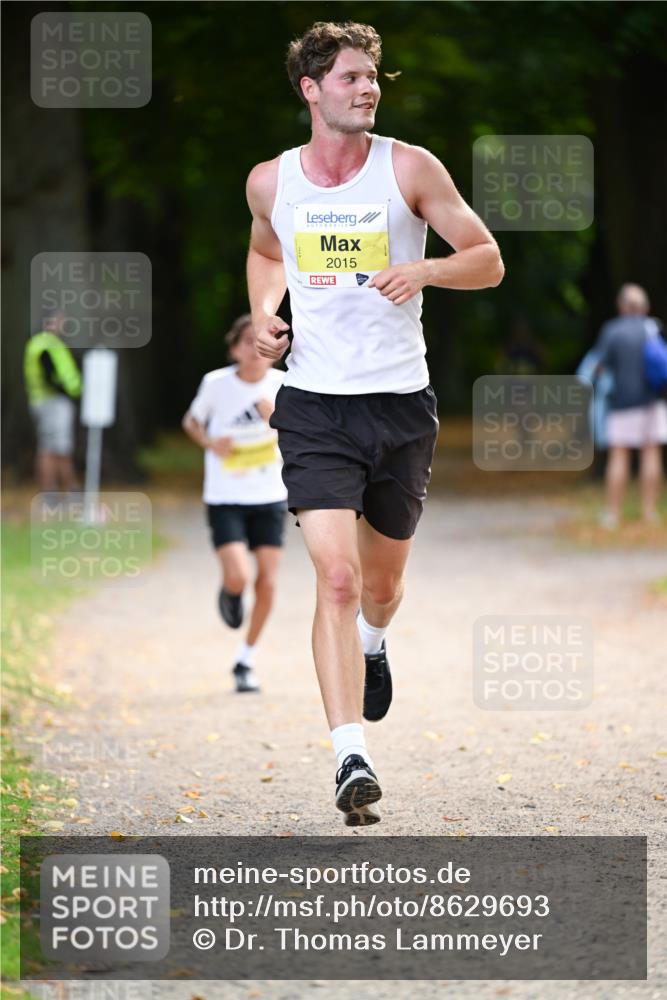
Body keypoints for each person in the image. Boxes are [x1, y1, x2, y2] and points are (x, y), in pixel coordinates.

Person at [245, 21, 504, 825]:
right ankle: (349, 754)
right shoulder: (270, 182)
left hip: (399, 405)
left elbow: (487, 258)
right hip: (315, 407)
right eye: (352, 77)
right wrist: (263, 314)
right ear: (310, 90)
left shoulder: (408, 168)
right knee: (335, 576)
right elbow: (264, 252)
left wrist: (424, 267)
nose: (368, 88)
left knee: (381, 586)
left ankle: (374, 643)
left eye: (373, 77)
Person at [182, 314, 288, 693]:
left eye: (263, 341)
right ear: (234, 349)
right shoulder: (216, 384)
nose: (254, 349)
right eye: (247, 341)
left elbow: (306, 434)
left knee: (269, 582)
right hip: (226, 495)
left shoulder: (284, 385)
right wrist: (212, 443)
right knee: (240, 576)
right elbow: (191, 422)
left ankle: (246, 658)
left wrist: (277, 420)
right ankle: (230, 591)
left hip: (270, 495)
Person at [594, 283, 667, 529]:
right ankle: (649, 512)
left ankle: (613, 513)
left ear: (622, 306)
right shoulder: (653, 328)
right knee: (651, 453)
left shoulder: (613, 331)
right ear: (644, 306)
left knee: (619, 455)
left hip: (623, 402)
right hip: (653, 402)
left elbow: (599, 366)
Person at [24, 311, 81, 493]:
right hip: (51, 402)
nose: (62, 324)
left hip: (47, 401)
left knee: (55, 445)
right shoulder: (46, 345)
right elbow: (50, 376)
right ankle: (56, 488)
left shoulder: (43, 344)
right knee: (54, 447)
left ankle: (60, 487)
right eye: (60, 320)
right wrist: (65, 392)